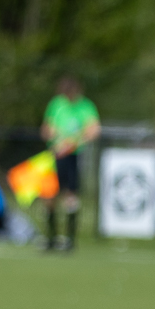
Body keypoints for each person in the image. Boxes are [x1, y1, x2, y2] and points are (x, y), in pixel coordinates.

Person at [40, 75, 100, 250]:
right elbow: (46, 129)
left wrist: (75, 141)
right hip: (55, 156)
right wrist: (54, 137)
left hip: (73, 156)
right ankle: (51, 237)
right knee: (49, 195)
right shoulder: (56, 104)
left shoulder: (85, 106)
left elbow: (94, 129)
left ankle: (69, 239)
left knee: (71, 196)